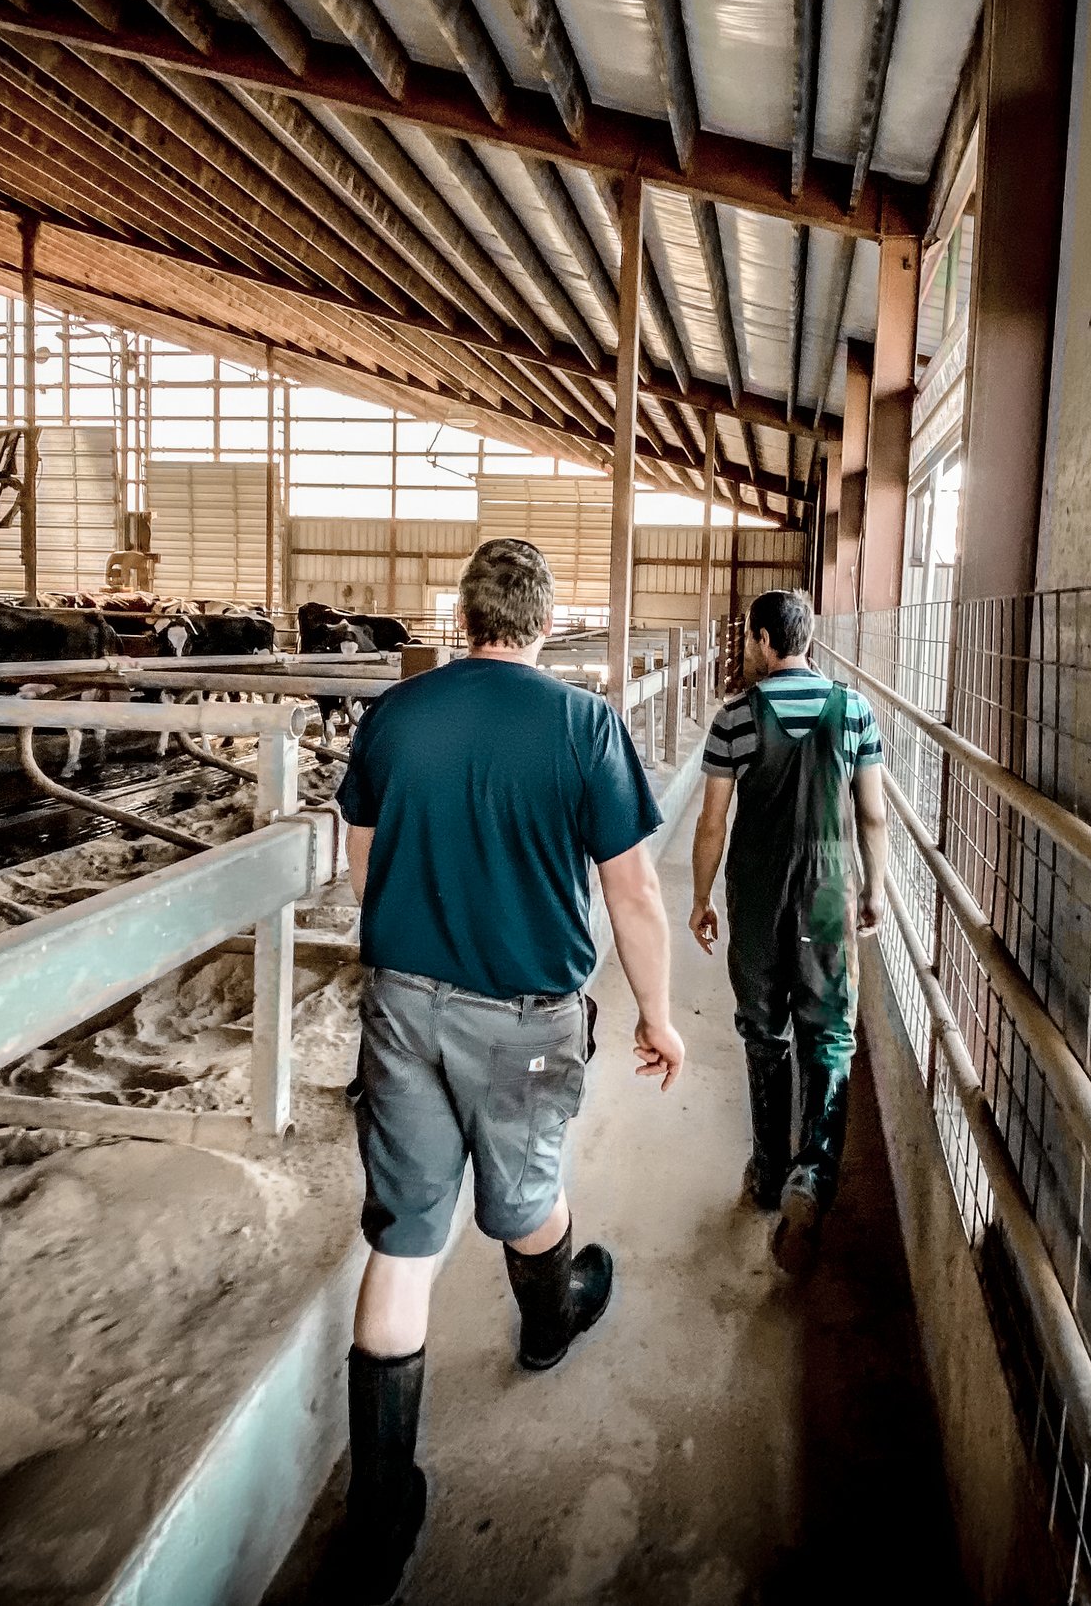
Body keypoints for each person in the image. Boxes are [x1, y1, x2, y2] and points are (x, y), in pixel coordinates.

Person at [331, 537, 683, 1602]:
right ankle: (550, 1317)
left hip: (401, 1003)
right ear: (545, 622)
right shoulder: (582, 724)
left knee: (404, 1237)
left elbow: (362, 860)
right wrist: (659, 1015)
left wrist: (414, 937)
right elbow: (630, 893)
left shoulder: (398, 715)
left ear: (462, 615)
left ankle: (379, 1520)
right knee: (525, 1188)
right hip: (523, 1014)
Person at [689, 587, 888, 1273]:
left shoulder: (736, 717)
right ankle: (814, 1173)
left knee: (763, 1029)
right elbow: (874, 815)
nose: (749, 648)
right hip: (831, 891)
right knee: (829, 1030)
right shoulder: (856, 710)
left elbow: (713, 820)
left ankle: (770, 1171)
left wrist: (700, 895)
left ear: (767, 640)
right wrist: (875, 889)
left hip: (759, 893)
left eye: (750, 638)